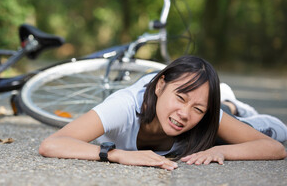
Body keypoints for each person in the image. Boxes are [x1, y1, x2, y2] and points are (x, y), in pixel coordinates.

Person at [38, 56, 287, 170]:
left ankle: (229, 104)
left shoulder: (202, 116)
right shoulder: (123, 106)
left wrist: (220, 150)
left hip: (221, 114)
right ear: (160, 85)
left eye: (198, 109)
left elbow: (276, 148)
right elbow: (52, 144)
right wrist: (116, 155)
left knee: (280, 131)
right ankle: (224, 100)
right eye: (180, 97)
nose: (184, 114)